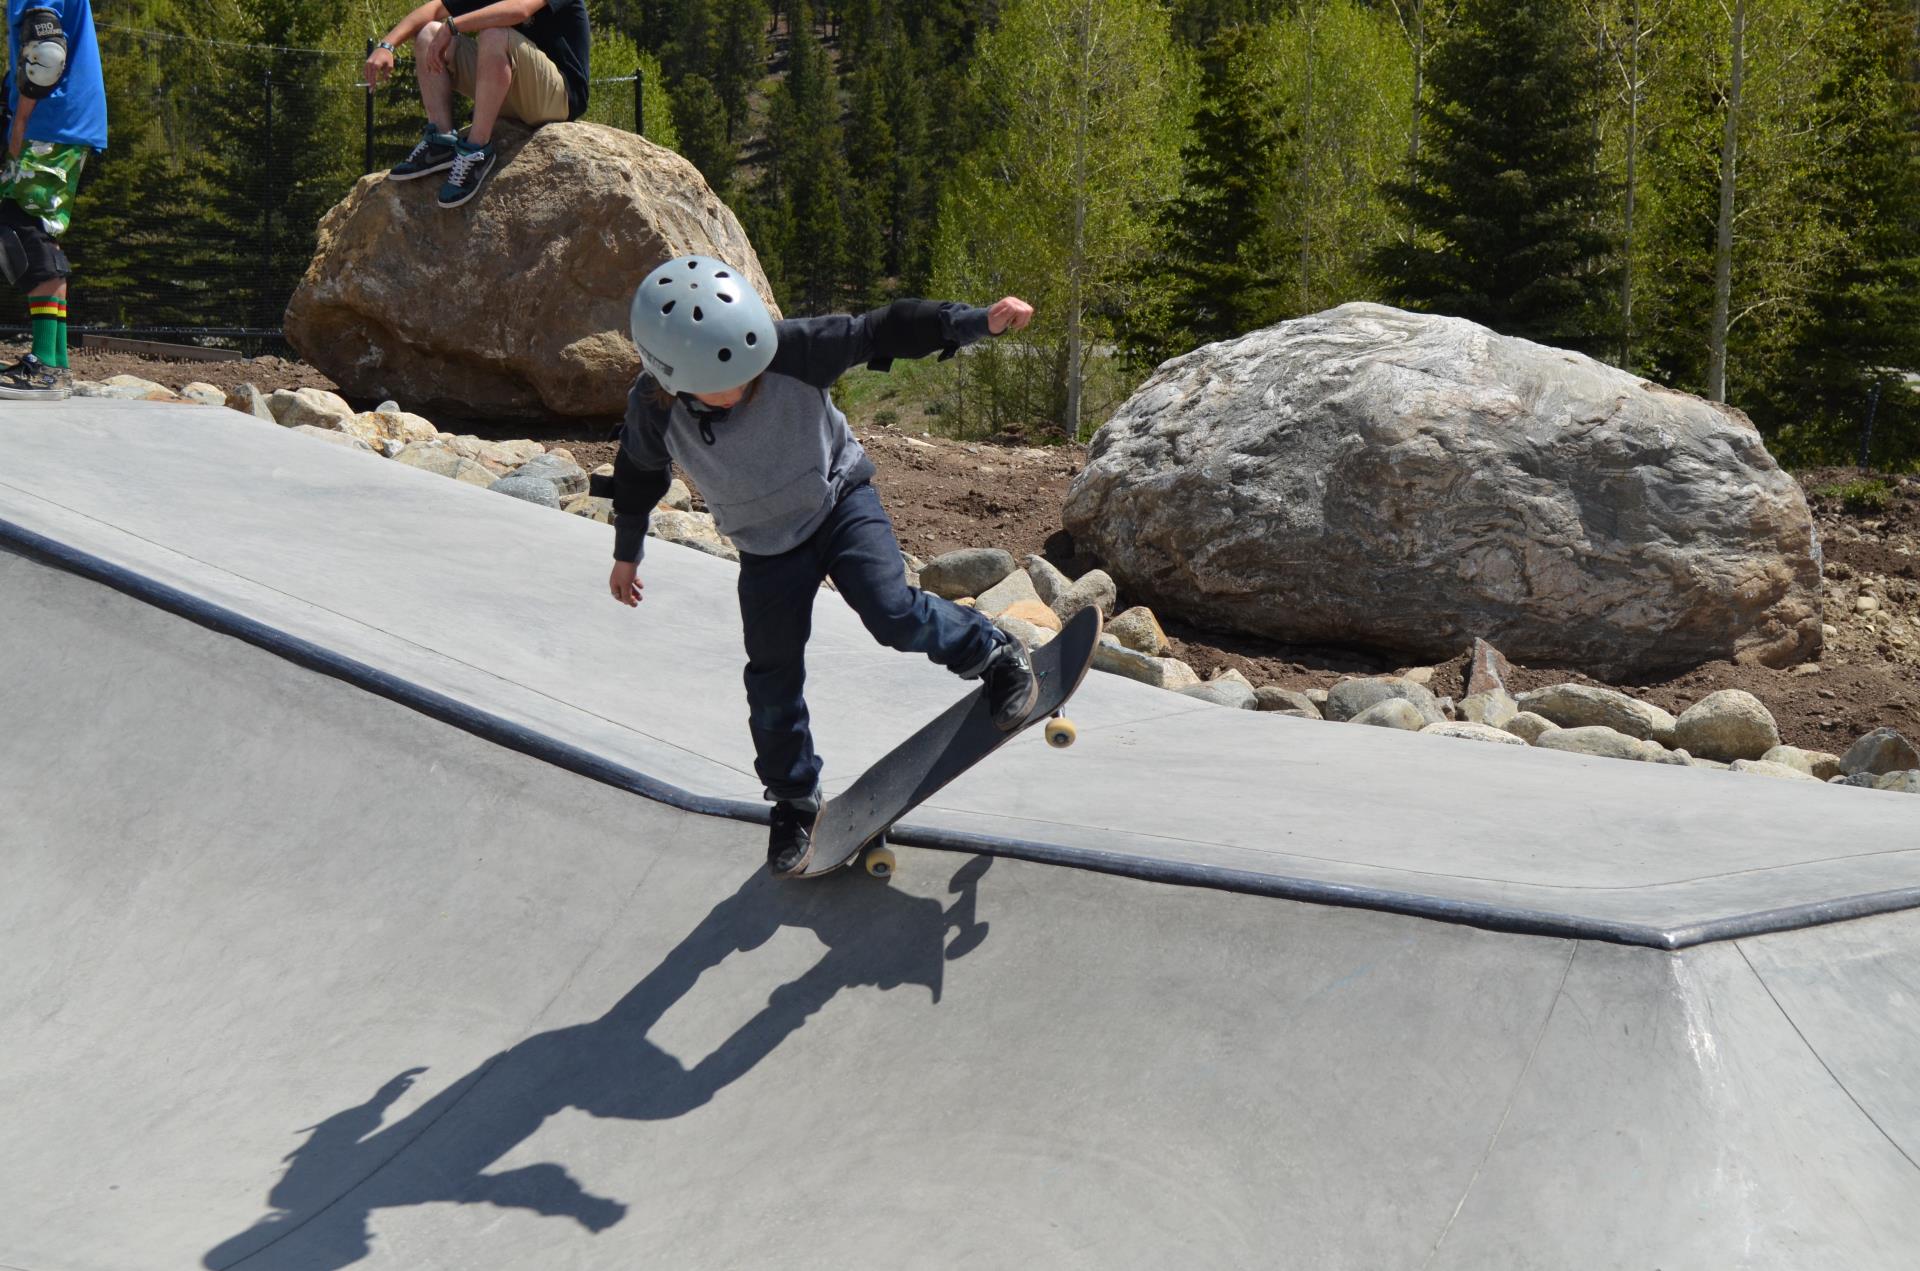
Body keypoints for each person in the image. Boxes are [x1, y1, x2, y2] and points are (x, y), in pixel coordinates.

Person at [609, 255, 1039, 876]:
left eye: (748, 367)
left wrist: (976, 323)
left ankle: (993, 652)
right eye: (720, 382)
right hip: (765, 546)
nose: (742, 387)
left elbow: (883, 329)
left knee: (893, 613)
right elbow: (637, 475)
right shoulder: (653, 408)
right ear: (672, 376)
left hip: (839, 500)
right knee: (772, 675)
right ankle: (793, 799)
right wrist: (628, 550)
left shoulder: (790, 349)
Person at [363, 0, 590, 209]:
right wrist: (387, 45)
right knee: (428, 34)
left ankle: (476, 151)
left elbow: (520, 10)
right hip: (510, 97)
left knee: (494, 34)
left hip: (558, 99)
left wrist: (452, 26)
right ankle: (441, 143)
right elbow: (433, 9)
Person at [0, 0, 105, 400]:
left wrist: (22, 119)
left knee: (22, 225)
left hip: (51, 122)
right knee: (37, 228)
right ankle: (56, 362)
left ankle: (45, 366)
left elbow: (46, 52)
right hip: (65, 120)